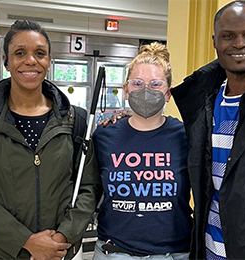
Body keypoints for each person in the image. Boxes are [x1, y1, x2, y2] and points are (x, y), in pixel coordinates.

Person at [0, 20, 101, 260]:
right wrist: (26, 241)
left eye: (40, 53)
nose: (31, 61)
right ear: (6, 60)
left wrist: (61, 239)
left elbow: (88, 188)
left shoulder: (75, 121)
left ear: (49, 60)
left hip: (59, 253)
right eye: (20, 53)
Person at [171, 1, 245, 260]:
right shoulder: (201, 102)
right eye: (228, 36)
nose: (239, 44)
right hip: (209, 250)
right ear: (214, 41)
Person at [92, 42, 192, 260]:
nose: (146, 91)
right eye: (137, 84)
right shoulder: (104, 136)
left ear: (168, 94)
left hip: (173, 253)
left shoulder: (185, 136)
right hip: (115, 251)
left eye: (156, 84)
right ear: (126, 90)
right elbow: (90, 192)